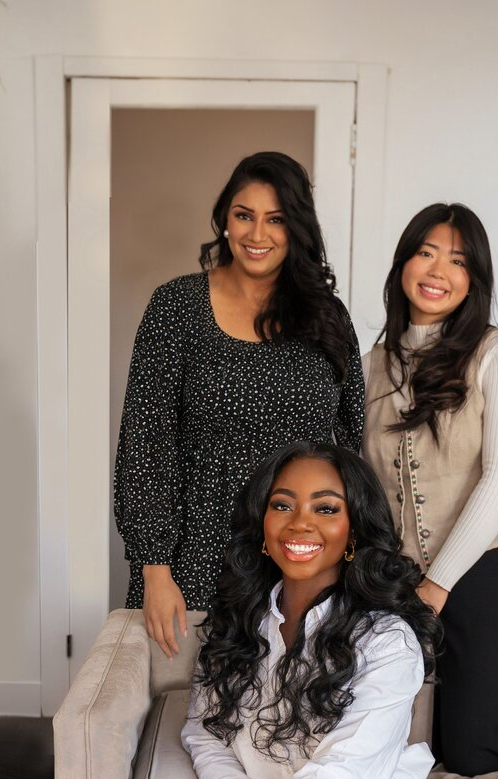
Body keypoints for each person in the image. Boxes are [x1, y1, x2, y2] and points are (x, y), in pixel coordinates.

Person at [114, 152, 364, 658]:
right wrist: (154, 569)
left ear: (297, 228)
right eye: (244, 215)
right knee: (195, 708)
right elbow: (145, 445)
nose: (258, 233)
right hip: (195, 559)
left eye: (276, 219)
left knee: (291, 709)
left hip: (300, 558)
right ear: (224, 220)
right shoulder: (177, 308)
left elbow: (351, 444)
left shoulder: (327, 317)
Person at [182, 441, 442, 779]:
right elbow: (204, 733)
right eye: (282, 505)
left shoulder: (388, 640)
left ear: (354, 529)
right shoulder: (236, 625)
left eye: (326, 508)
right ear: (262, 523)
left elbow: (343, 776)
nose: (299, 523)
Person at [362, 203, 498, 776]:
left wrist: (438, 583)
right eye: (426, 252)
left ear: (474, 279)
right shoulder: (373, 364)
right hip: (397, 578)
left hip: (488, 569)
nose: (438, 271)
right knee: (401, 747)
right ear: (403, 263)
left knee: (475, 747)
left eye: (458, 261)